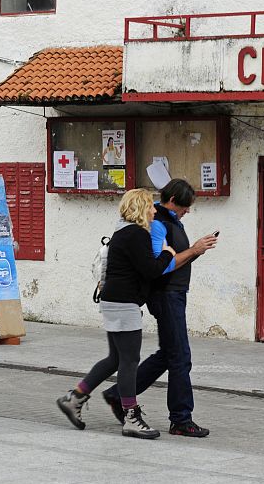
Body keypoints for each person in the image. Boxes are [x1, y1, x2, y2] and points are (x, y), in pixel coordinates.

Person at [101, 179, 218, 438]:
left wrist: (195, 250)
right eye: (185, 207)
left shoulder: (169, 220)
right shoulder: (157, 224)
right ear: (173, 200)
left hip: (174, 294)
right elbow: (158, 266)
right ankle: (181, 419)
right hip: (165, 295)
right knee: (180, 357)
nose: (188, 211)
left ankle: (117, 395)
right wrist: (194, 250)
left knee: (169, 354)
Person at [57, 188, 175, 439]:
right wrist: (168, 253)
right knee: (130, 361)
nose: (155, 210)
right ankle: (131, 416)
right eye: (151, 207)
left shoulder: (123, 231)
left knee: (115, 359)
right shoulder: (136, 234)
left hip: (114, 299)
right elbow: (151, 270)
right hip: (124, 303)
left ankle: (74, 398)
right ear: (141, 208)